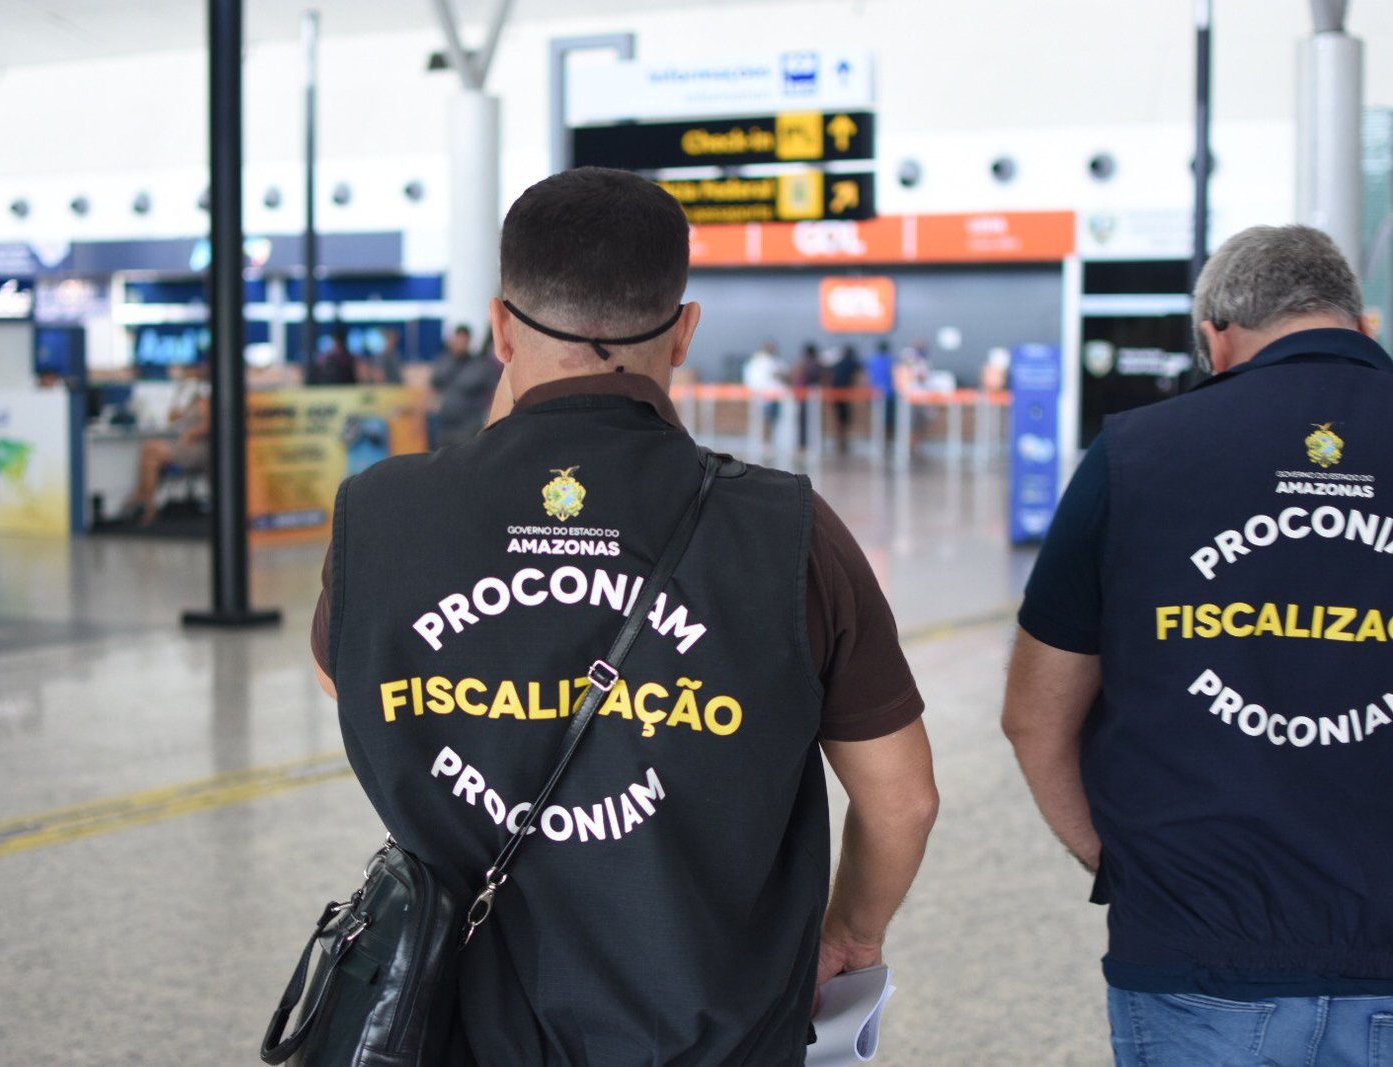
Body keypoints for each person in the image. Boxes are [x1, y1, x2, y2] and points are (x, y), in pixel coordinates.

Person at [311, 167, 937, 1065]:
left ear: (500, 329)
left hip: (450, 1027)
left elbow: (355, 681)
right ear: (684, 332)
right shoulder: (788, 532)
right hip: (714, 1032)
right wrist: (850, 933)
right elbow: (903, 799)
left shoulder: (381, 515)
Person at [1001, 224, 1393, 1067]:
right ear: (1363, 325)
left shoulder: (1134, 454)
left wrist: (1122, 863)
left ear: (1216, 337)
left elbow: (1034, 715)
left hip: (1196, 951)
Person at [116, 361, 209, 524]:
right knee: (150, 455)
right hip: (186, 444)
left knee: (151, 450)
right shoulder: (190, 394)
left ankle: (143, 498)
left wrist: (190, 435)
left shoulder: (205, 395)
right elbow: (173, 417)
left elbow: (208, 424)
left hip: (199, 448)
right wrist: (180, 394)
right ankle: (148, 503)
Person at [429, 323, 501, 447]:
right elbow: (433, 387)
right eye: (458, 339)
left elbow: (496, 390)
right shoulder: (443, 362)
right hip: (444, 427)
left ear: (469, 341)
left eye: (464, 340)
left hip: (469, 428)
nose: (460, 343)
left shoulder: (480, 366)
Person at [742, 339, 788, 445]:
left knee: (773, 420)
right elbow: (754, 379)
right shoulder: (758, 362)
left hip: (775, 397)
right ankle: (764, 442)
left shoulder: (776, 361)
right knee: (764, 420)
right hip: (762, 397)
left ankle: (770, 441)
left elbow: (784, 375)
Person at [792, 342, 825, 450]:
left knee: (803, 420)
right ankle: (810, 442)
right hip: (812, 395)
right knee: (812, 420)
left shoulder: (804, 364)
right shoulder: (817, 364)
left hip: (804, 395)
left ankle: (803, 443)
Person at [829, 344, 862, 453]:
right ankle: (843, 439)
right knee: (845, 418)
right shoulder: (852, 362)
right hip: (845, 394)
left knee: (839, 417)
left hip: (835, 393)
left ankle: (840, 438)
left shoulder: (837, 363)